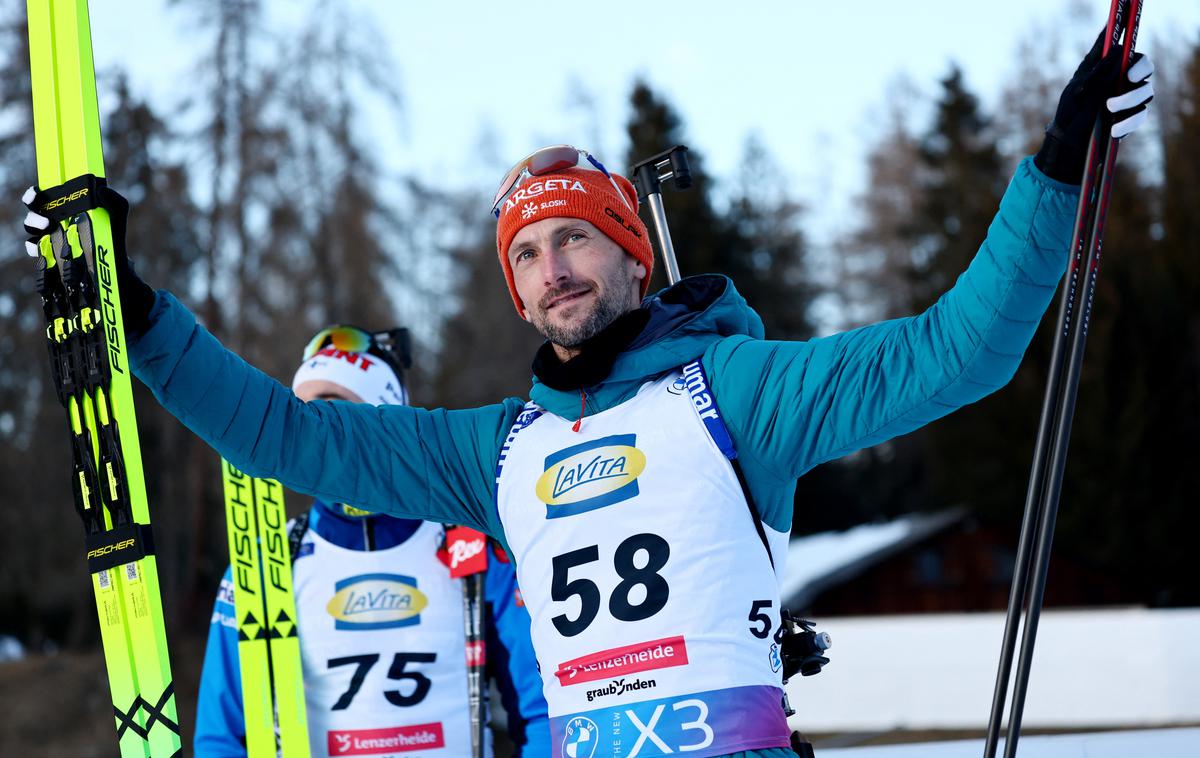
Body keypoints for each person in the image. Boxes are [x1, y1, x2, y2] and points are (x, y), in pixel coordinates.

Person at [23, 33, 1155, 758]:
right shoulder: (495, 451)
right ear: (514, 294)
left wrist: (1056, 167)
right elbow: (284, 435)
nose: (552, 267)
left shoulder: (738, 391)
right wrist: (134, 308)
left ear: (632, 257)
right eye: (527, 255)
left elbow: (957, 351)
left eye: (577, 239)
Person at [192, 326, 548, 756]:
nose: (318, 434)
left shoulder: (472, 549)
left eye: (338, 414)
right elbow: (224, 736)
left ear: (387, 421)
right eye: (304, 414)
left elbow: (540, 708)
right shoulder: (268, 561)